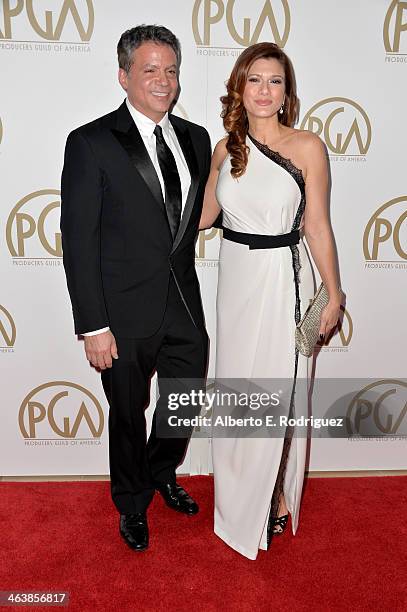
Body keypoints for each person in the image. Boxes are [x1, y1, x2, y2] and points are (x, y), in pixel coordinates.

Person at [60, 25, 211, 552]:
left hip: (184, 303)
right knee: (127, 413)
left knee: (184, 400)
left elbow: (193, 218)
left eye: (171, 70)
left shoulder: (196, 139)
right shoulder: (91, 142)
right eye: (150, 70)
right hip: (120, 312)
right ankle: (131, 503)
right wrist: (93, 325)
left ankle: (161, 471)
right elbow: (79, 242)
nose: (163, 81)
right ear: (124, 76)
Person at [200, 42, 342, 560]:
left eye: (274, 81)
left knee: (277, 392)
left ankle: (275, 497)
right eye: (254, 79)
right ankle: (240, 499)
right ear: (239, 86)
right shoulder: (224, 149)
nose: (264, 90)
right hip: (235, 279)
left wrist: (335, 290)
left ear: (287, 92)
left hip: (284, 278)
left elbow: (317, 225)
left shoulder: (307, 147)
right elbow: (203, 217)